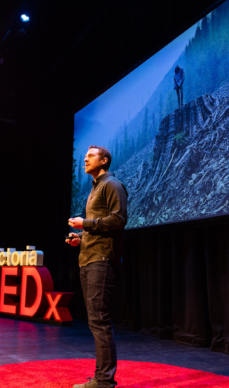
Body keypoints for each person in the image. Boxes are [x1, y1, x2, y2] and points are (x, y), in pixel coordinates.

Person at [66, 145, 128, 388]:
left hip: (101, 260)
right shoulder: (95, 189)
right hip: (89, 257)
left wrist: (85, 224)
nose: (85, 159)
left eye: (90, 156)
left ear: (104, 161)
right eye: (85, 156)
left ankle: (104, 381)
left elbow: (118, 219)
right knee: (95, 321)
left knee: (99, 321)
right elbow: (98, 227)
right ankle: (102, 378)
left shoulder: (112, 185)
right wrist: (79, 237)